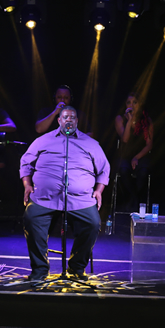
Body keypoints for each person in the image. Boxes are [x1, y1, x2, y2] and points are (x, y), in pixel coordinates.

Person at [20, 106, 109, 281]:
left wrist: (99, 190)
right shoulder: (42, 140)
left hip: (80, 199)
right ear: (59, 120)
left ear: (77, 121)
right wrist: (27, 185)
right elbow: (25, 163)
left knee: (92, 223)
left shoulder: (91, 143)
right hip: (45, 197)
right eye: (66, 117)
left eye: (73, 117)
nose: (69, 120)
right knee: (31, 218)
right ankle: (40, 269)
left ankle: (76, 267)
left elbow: (104, 170)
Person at [114, 92, 153, 211]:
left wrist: (137, 157)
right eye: (129, 103)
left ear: (139, 104)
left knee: (143, 172)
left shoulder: (146, 121)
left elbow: (149, 145)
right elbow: (125, 139)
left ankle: (133, 200)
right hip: (125, 155)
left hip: (140, 155)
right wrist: (129, 121)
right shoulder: (120, 119)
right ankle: (134, 199)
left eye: (135, 102)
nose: (131, 105)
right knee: (123, 170)